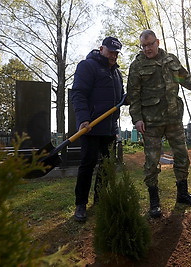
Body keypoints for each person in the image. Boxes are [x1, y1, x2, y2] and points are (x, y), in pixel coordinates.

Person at [127, 30, 191, 218]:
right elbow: (133, 95)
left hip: (173, 119)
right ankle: (154, 202)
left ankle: (183, 195)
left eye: (150, 44)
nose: (147, 49)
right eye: (144, 46)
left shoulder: (171, 60)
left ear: (158, 42)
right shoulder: (137, 66)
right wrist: (136, 118)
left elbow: (183, 78)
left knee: (182, 157)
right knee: (152, 162)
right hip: (151, 123)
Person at [70, 36, 124, 222]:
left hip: (109, 128)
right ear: (101, 49)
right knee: (88, 164)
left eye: (116, 53)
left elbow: (120, 99)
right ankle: (81, 204)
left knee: (107, 167)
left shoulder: (117, 73)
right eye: (111, 52)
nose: (114, 56)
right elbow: (78, 94)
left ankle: (100, 200)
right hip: (91, 127)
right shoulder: (87, 66)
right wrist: (83, 118)